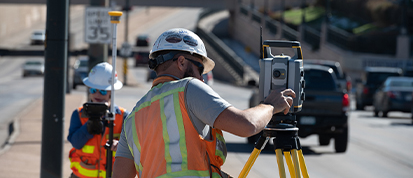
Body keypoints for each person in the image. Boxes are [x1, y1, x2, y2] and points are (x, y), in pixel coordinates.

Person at [112, 28, 295, 178]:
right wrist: (270, 105)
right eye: (200, 69)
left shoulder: (134, 115)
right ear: (182, 62)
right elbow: (247, 125)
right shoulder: (188, 88)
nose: (202, 78)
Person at [68, 62, 129, 178]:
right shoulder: (79, 114)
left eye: (103, 91)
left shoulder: (123, 116)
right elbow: (76, 143)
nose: (97, 94)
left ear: (111, 92)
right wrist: (88, 127)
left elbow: (135, 147)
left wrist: (121, 145)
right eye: (93, 90)